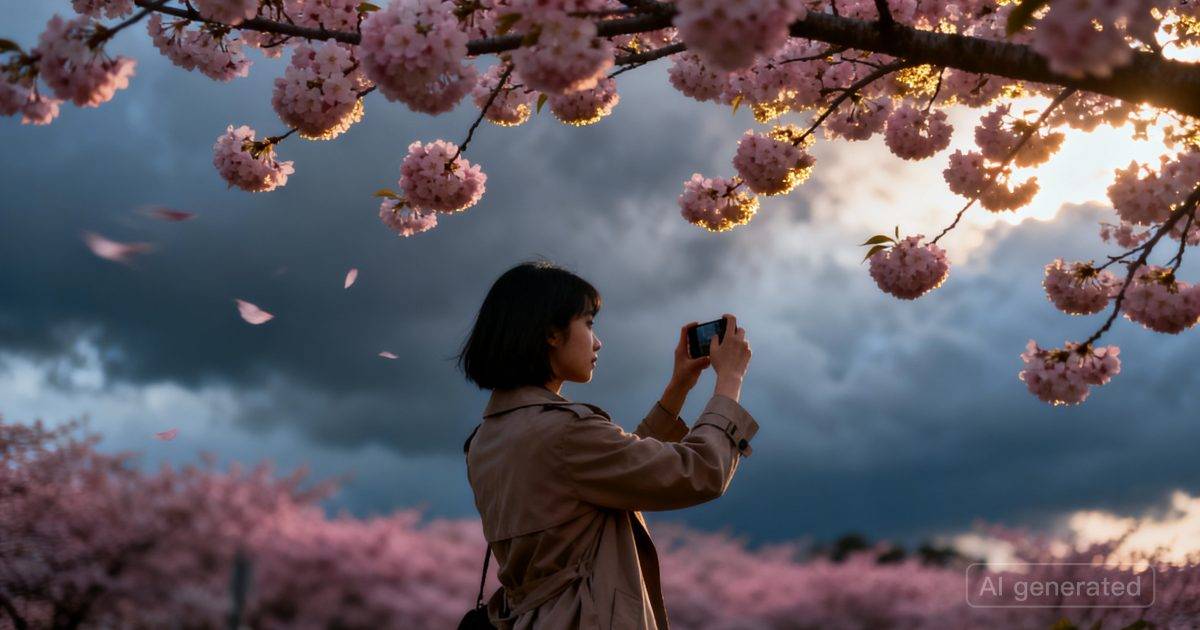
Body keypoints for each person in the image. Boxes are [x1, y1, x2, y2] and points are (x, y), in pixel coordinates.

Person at [458, 260, 759, 629]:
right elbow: (699, 472)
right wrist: (729, 382)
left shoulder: (488, 437)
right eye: (588, 323)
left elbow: (618, 472)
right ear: (551, 333)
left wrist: (678, 388)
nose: (597, 341)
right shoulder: (564, 432)